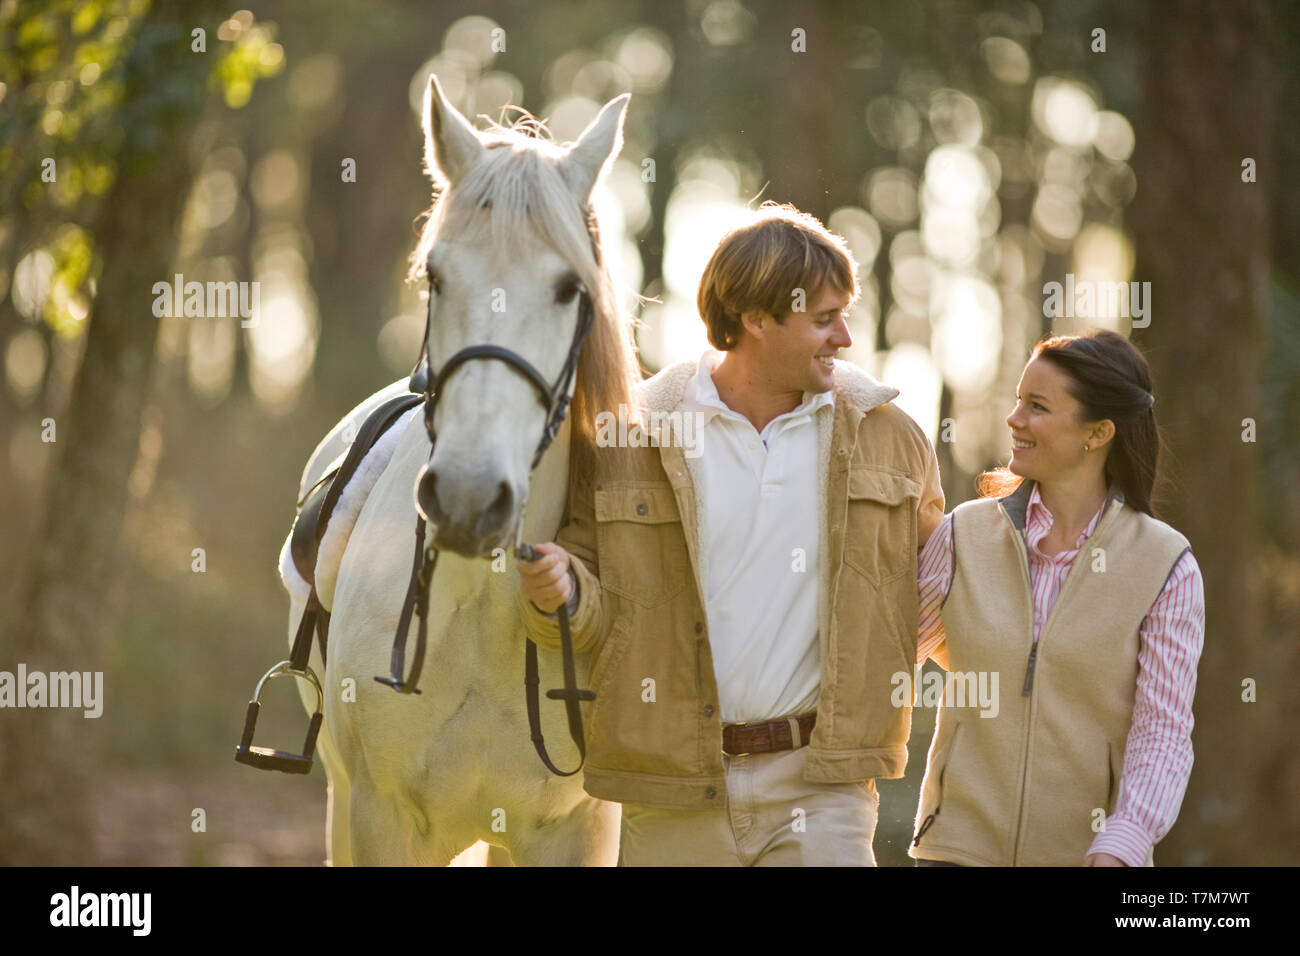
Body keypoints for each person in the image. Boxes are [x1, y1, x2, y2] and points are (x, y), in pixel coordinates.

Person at [516, 203, 944, 866]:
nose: (846, 339)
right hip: (673, 788)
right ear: (755, 319)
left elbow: (937, 594)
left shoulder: (892, 438)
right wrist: (562, 592)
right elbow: (588, 619)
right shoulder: (632, 436)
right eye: (824, 320)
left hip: (822, 789)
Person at [909, 329, 1205, 867]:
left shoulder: (1165, 565)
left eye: (1037, 406)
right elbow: (890, 652)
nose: (1013, 419)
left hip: (1088, 857)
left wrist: (1125, 841)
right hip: (955, 850)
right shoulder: (963, 535)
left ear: (1098, 432)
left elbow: (1162, 729)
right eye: (1018, 400)